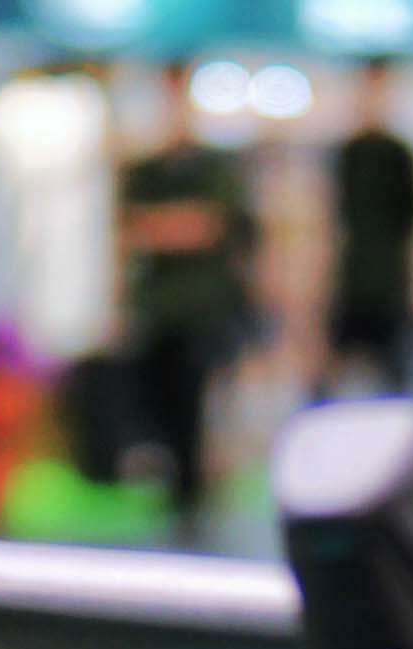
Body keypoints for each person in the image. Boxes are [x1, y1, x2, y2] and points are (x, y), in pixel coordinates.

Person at [119, 61, 256, 530]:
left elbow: (207, 227)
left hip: (201, 309)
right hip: (158, 310)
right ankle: (175, 489)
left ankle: (193, 495)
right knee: (158, 400)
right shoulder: (145, 170)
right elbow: (133, 229)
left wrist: (164, 226)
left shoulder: (215, 168)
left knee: (195, 401)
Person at [322, 58, 413, 395]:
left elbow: (412, 219)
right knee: (337, 368)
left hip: (389, 280)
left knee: (393, 370)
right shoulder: (348, 153)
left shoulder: (399, 155)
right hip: (352, 276)